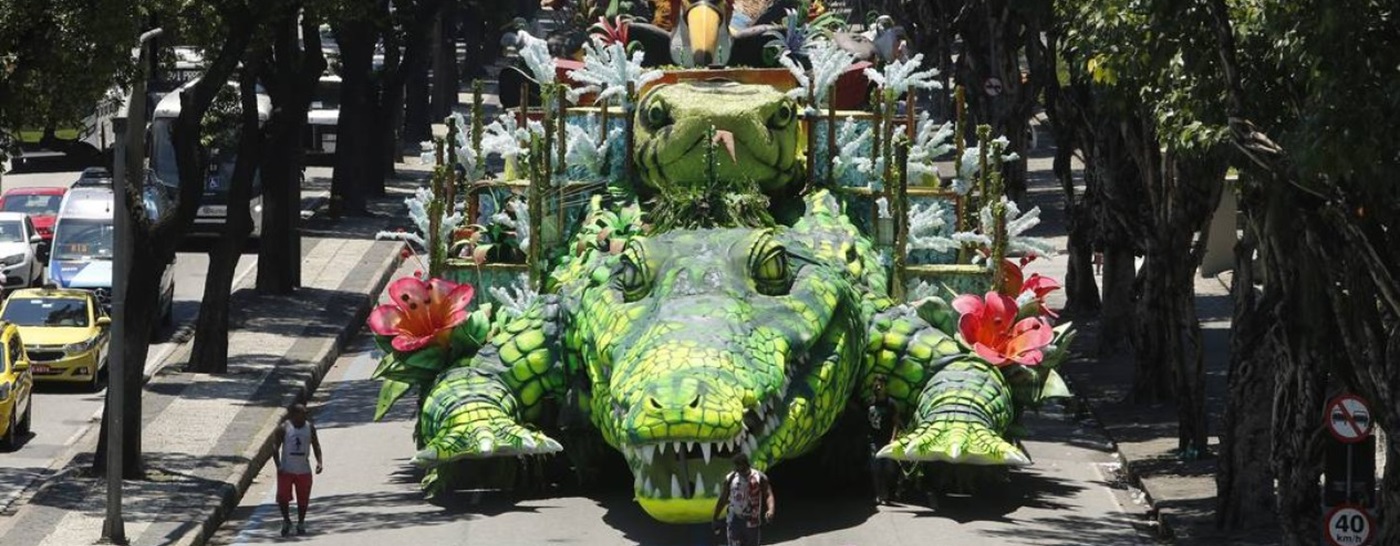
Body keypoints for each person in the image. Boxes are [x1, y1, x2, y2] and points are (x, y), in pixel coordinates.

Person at [272, 404, 323, 536]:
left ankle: (301, 522)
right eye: (302, 413)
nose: (305, 416)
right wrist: (278, 465)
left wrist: (319, 462)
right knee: (283, 497)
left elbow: (316, 445)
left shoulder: (309, 428)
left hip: (304, 470)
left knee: (303, 498)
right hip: (286, 470)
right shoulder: (283, 428)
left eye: (306, 413)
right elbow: (275, 447)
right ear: (293, 414)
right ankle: (286, 520)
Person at [713, 453, 775, 546]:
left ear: (746, 464)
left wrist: (771, 510)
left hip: (752, 521)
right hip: (734, 521)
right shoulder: (730, 478)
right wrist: (715, 517)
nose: (738, 468)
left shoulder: (759, 477)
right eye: (736, 465)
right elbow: (723, 499)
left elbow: (768, 494)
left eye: (740, 465)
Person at [867, 374, 901, 504]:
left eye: (881, 384)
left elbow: (896, 422)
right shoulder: (870, 402)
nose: (878, 387)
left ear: (886, 386)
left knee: (888, 469)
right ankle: (878, 494)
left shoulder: (891, 404)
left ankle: (886, 493)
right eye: (876, 384)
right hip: (873, 440)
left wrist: (893, 438)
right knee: (875, 468)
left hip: (887, 440)